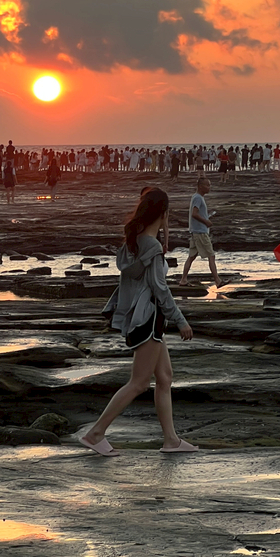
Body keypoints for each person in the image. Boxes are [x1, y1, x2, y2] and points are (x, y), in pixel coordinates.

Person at [79, 189, 196, 456]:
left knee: (164, 377)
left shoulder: (135, 243)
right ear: (164, 213)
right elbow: (159, 287)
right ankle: (96, 434)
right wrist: (180, 320)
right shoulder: (151, 246)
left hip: (141, 318)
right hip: (150, 319)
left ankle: (171, 441)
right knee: (139, 382)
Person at [179, 178, 224, 288]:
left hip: (196, 231)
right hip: (200, 232)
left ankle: (183, 280)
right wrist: (206, 222)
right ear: (200, 186)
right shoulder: (198, 198)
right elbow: (194, 214)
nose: (209, 187)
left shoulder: (197, 197)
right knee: (211, 255)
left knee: (191, 256)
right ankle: (217, 281)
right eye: (207, 185)